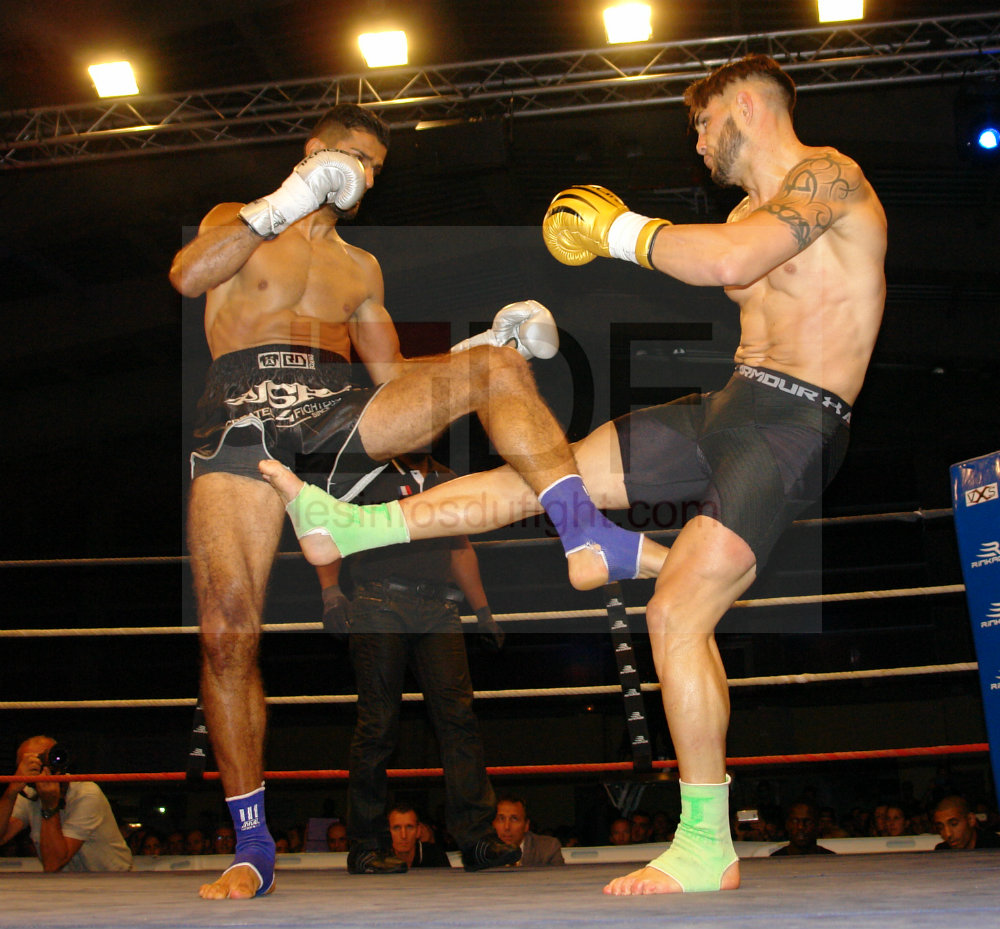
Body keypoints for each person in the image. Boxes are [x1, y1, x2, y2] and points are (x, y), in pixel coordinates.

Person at [260, 52, 886, 896]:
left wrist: (617, 231)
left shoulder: (832, 178)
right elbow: (728, 250)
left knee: (677, 614)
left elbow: (733, 263)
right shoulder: (746, 208)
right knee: (550, 474)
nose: (699, 143)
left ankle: (708, 841)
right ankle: (356, 524)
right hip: (731, 403)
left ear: (745, 104)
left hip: (795, 423)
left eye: (703, 124)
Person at [169, 102, 660, 900]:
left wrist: (482, 344)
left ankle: (583, 529)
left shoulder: (361, 268)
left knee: (499, 369)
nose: (363, 176)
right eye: (353, 156)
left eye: (374, 167)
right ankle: (252, 842)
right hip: (239, 412)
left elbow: (392, 376)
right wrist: (289, 198)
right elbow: (188, 276)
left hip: (334, 409)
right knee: (227, 631)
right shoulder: (241, 218)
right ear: (314, 149)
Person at [331, 453, 518, 874]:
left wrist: (483, 611)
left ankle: (477, 840)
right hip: (379, 600)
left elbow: (460, 547)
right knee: (378, 723)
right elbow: (329, 528)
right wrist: (331, 591)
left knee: (459, 718)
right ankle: (366, 844)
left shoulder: (446, 478)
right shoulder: (367, 473)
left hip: (439, 607)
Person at [0, 736, 132, 872]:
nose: (44, 765)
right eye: (31, 762)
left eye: (49, 757)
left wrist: (49, 806)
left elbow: (53, 863)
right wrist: (12, 790)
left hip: (113, 879)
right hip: (69, 881)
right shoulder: (29, 793)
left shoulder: (86, 793)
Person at [493, 795, 564, 866]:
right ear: (493, 824)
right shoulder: (486, 851)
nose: (507, 827)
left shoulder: (548, 848)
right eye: (501, 819)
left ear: (526, 825)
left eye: (514, 819)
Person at [388, 804, 451, 868]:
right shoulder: (382, 857)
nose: (403, 835)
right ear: (389, 832)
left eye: (409, 827)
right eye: (396, 828)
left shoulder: (435, 855)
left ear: (418, 831)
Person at [932, 795, 1000, 850]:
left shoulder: (994, 846)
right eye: (940, 828)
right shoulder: (942, 851)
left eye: (954, 824)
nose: (948, 834)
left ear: (970, 820)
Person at [769, 801, 836, 857]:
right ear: (787, 824)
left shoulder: (831, 859)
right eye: (795, 821)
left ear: (818, 825)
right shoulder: (775, 860)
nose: (800, 827)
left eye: (807, 821)